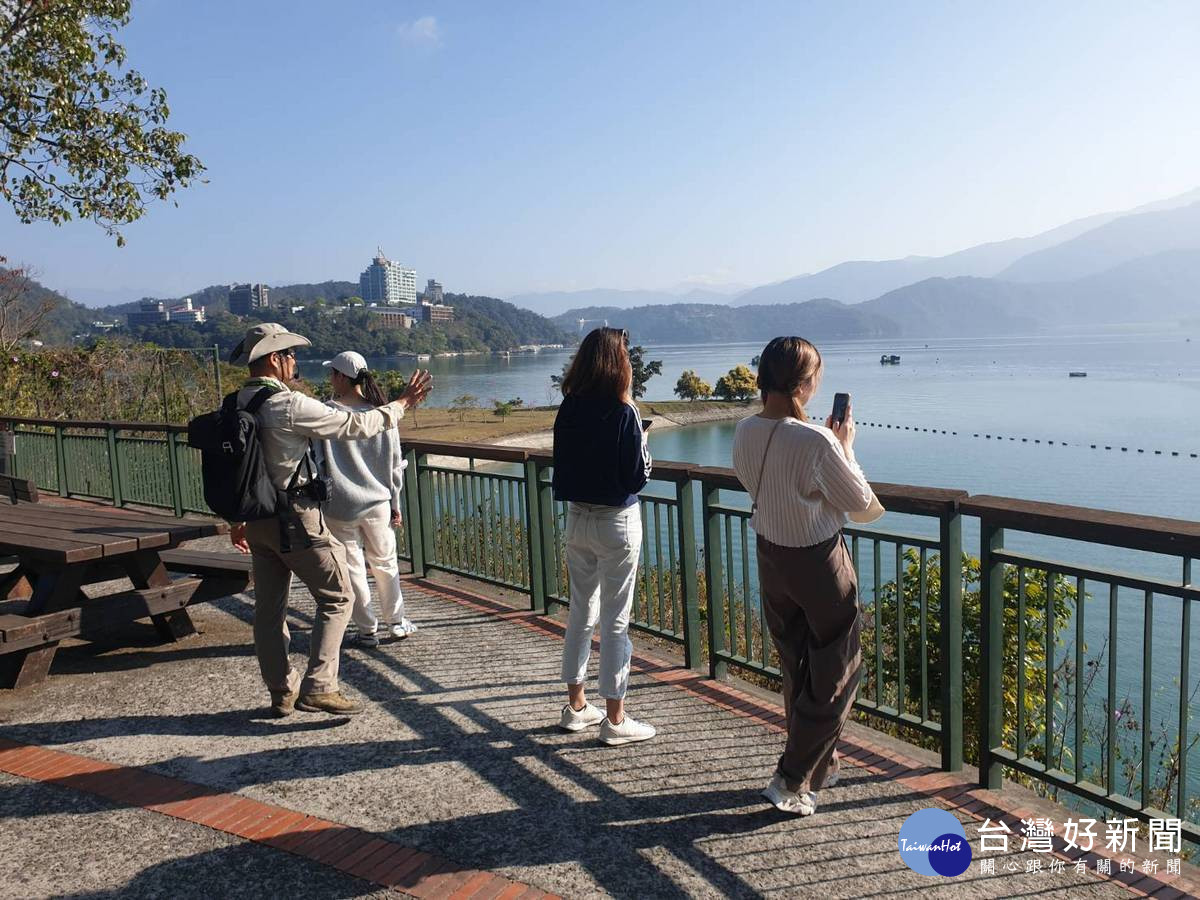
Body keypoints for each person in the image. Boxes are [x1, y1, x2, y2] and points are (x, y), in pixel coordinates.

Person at [227, 324, 431, 718]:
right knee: (339, 596)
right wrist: (402, 402)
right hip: (294, 518)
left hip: (258, 521)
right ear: (274, 359)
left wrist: (238, 517)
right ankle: (320, 686)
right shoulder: (288, 405)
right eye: (290, 355)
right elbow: (356, 425)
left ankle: (280, 691)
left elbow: (239, 465)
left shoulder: (239, 402)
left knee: (269, 611)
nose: (295, 363)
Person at [731, 336, 883, 816]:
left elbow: (753, 481)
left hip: (770, 555)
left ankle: (821, 760)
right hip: (818, 561)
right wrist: (846, 449)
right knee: (839, 669)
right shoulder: (817, 440)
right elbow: (859, 503)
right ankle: (791, 778)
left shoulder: (744, 430)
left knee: (795, 662)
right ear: (804, 384)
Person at [552, 327, 656, 746]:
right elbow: (638, 475)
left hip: (577, 518)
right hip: (617, 521)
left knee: (581, 612)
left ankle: (576, 707)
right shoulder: (623, 411)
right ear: (619, 362)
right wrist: (643, 444)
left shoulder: (569, 407)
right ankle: (615, 718)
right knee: (615, 621)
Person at [314, 351, 417, 649]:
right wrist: (396, 503)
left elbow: (319, 462)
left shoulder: (327, 413)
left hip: (339, 506)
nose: (331, 379)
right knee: (386, 563)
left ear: (342, 377)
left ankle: (366, 630)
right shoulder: (382, 414)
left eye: (333, 373)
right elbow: (394, 464)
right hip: (377, 503)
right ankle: (397, 623)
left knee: (352, 568)